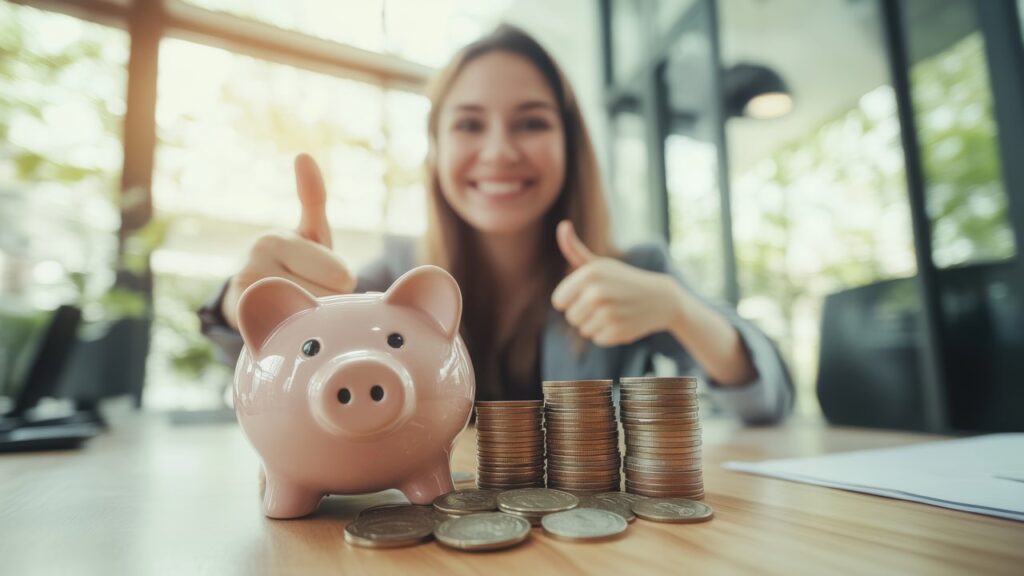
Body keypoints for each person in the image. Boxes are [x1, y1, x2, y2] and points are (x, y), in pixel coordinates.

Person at [199, 25, 793, 424]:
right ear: (435, 151)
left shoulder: (637, 274)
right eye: (469, 125)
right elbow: (275, 365)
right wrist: (244, 302)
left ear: (570, 146)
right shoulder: (390, 279)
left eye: (531, 123)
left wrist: (678, 310)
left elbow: (767, 400)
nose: (500, 151)